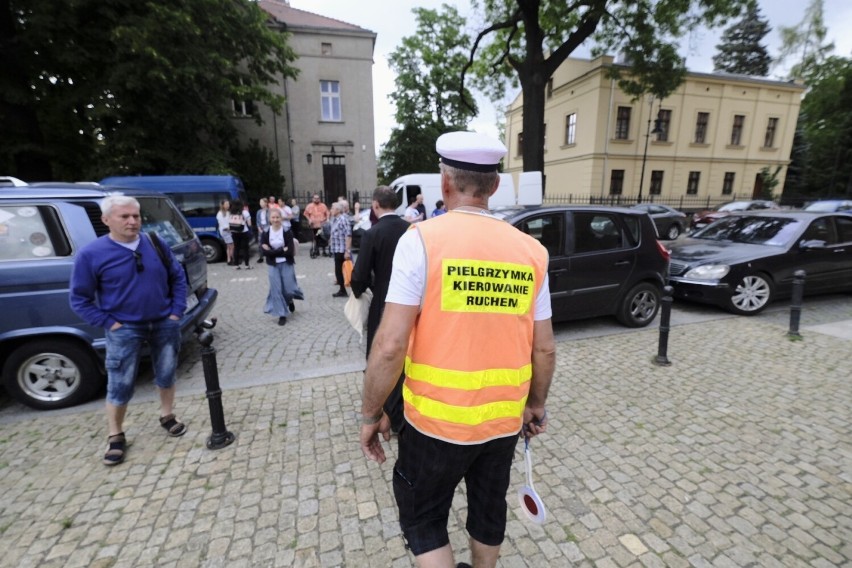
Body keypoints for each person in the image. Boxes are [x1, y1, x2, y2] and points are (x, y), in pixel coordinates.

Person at [359, 131, 556, 568]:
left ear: (444, 184)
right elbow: (544, 350)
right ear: (495, 186)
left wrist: (371, 413)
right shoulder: (532, 252)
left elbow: (390, 345)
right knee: (488, 508)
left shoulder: (422, 241)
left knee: (424, 517)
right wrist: (536, 405)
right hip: (502, 423)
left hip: (435, 424)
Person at [69, 195, 189, 466]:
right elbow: (79, 299)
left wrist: (175, 312)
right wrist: (110, 323)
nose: (133, 221)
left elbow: (177, 277)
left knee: (167, 372)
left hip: (163, 322)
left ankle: (167, 416)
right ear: (106, 220)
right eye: (125, 217)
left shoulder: (154, 243)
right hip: (124, 328)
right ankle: (115, 435)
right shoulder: (91, 254)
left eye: (136, 216)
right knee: (120, 382)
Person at [350, 186, 410, 430]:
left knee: (382, 353)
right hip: (411, 300)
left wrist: (357, 291)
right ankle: (404, 410)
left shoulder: (372, 233)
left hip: (384, 299)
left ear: (375, 205)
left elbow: (359, 275)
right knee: (406, 354)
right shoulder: (411, 229)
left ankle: (390, 414)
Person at [260, 208, 303, 326]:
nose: (275, 220)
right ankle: (281, 314)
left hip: (286, 262)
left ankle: (289, 300)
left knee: (289, 288)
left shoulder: (287, 231)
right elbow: (264, 252)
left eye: (277, 217)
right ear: (269, 219)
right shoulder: (265, 232)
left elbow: (289, 251)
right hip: (273, 265)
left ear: (281, 218)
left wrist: (273, 251)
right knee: (276, 289)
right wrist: (280, 250)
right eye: (273, 217)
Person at [329, 201, 352, 298]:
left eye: (332, 208)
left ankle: (352, 289)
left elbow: (348, 235)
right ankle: (342, 290)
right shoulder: (334, 219)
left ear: (338, 210)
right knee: (338, 271)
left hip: (342, 249)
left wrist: (347, 250)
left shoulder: (343, 219)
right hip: (336, 248)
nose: (331, 210)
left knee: (346, 270)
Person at [228, 199, 253, 270]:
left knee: (236, 248)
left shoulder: (231, 212)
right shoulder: (244, 212)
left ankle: (236, 265)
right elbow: (249, 223)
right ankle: (247, 265)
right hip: (243, 231)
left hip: (234, 232)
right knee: (245, 249)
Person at [216, 199, 234, 265]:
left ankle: (229, 259)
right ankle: (232, 259)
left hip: (230, 231)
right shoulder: (220, 213)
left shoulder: (228, 212)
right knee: (231, 246)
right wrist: (228, 228)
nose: (228, 205)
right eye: (226, 204)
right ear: (223, 205)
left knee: (229, 246)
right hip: (225, 231)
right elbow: (222, 224)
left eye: (228, 204)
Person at [256, 198, 271, 262]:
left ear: (266, 203)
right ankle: (261, 257)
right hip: (261, 227)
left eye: (262, 202)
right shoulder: (259, 211)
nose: (260, 204)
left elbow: (270, 221)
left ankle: (269, 255)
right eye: (260, 202)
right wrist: (259, 227)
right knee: (260, 243)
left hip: (267, 227)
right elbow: (257, 221)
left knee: (268, 242)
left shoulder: (269, 211)